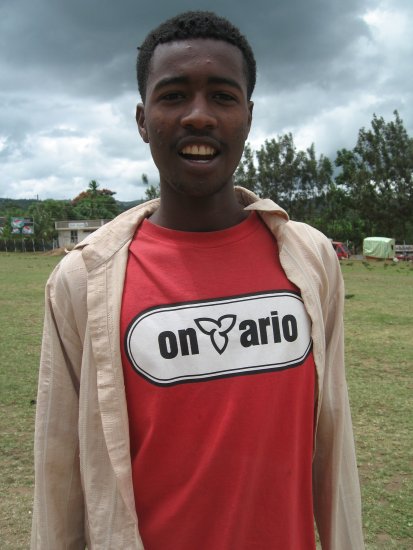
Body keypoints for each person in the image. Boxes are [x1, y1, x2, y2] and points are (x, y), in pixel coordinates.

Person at [31, 11, 364, 550]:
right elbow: (58, 474)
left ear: (249, 116)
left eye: (223, 97)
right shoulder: (82, 280)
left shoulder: (310, 260)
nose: (199, 116)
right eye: (174, 95)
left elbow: (334, 443)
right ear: (142, 120)